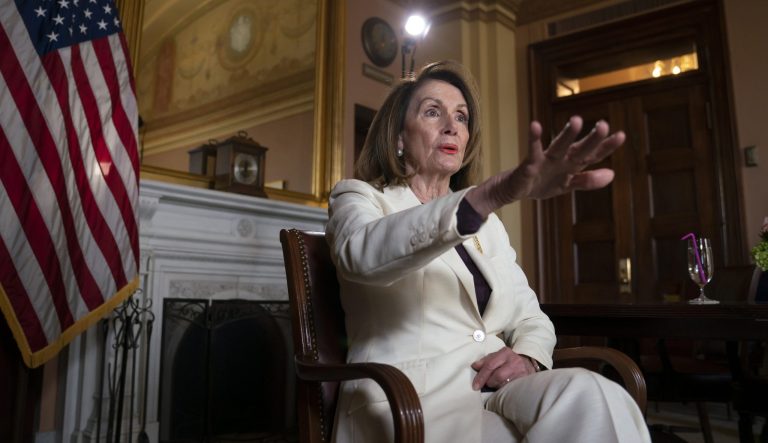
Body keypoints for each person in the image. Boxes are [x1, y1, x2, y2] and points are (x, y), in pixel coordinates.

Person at [325, 60, 651, 443]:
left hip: (500, 392)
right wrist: (488, 196)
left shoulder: (489, 225)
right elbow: (360, 256)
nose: (452, 126)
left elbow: (531, 317)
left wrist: (527, 357)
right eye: (433, 112)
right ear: (398, 136)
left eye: (461, 118)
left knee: (595, 395)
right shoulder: (359, 197)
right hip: (411, 402)